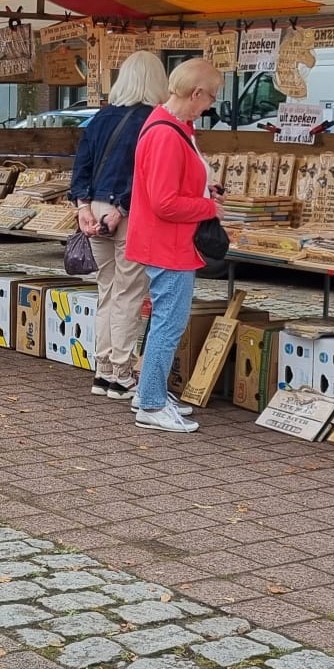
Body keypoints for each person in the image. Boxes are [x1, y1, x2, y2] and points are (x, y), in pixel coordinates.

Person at [126, 58, 225, 434]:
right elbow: (165, 202)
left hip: (166, 241)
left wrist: (202, 190)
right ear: (196, 93)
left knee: (163, 322)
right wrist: (209, 206)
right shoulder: (168, 133)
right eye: (211, 96)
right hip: (169, 243)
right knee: (169, 324)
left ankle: (148, 394)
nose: (211, 104)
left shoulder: (169, 124)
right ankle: (151, 403)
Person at [70, 51, 168, 399]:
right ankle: (122, 373)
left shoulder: (101, 117)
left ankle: (102, 369)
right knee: (129, 292)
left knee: (107, 289)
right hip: (129, 211)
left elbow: (81, 164)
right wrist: (122, 208)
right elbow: (143, 174)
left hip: (95, 207)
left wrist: (82, 206)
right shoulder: (153, 120)